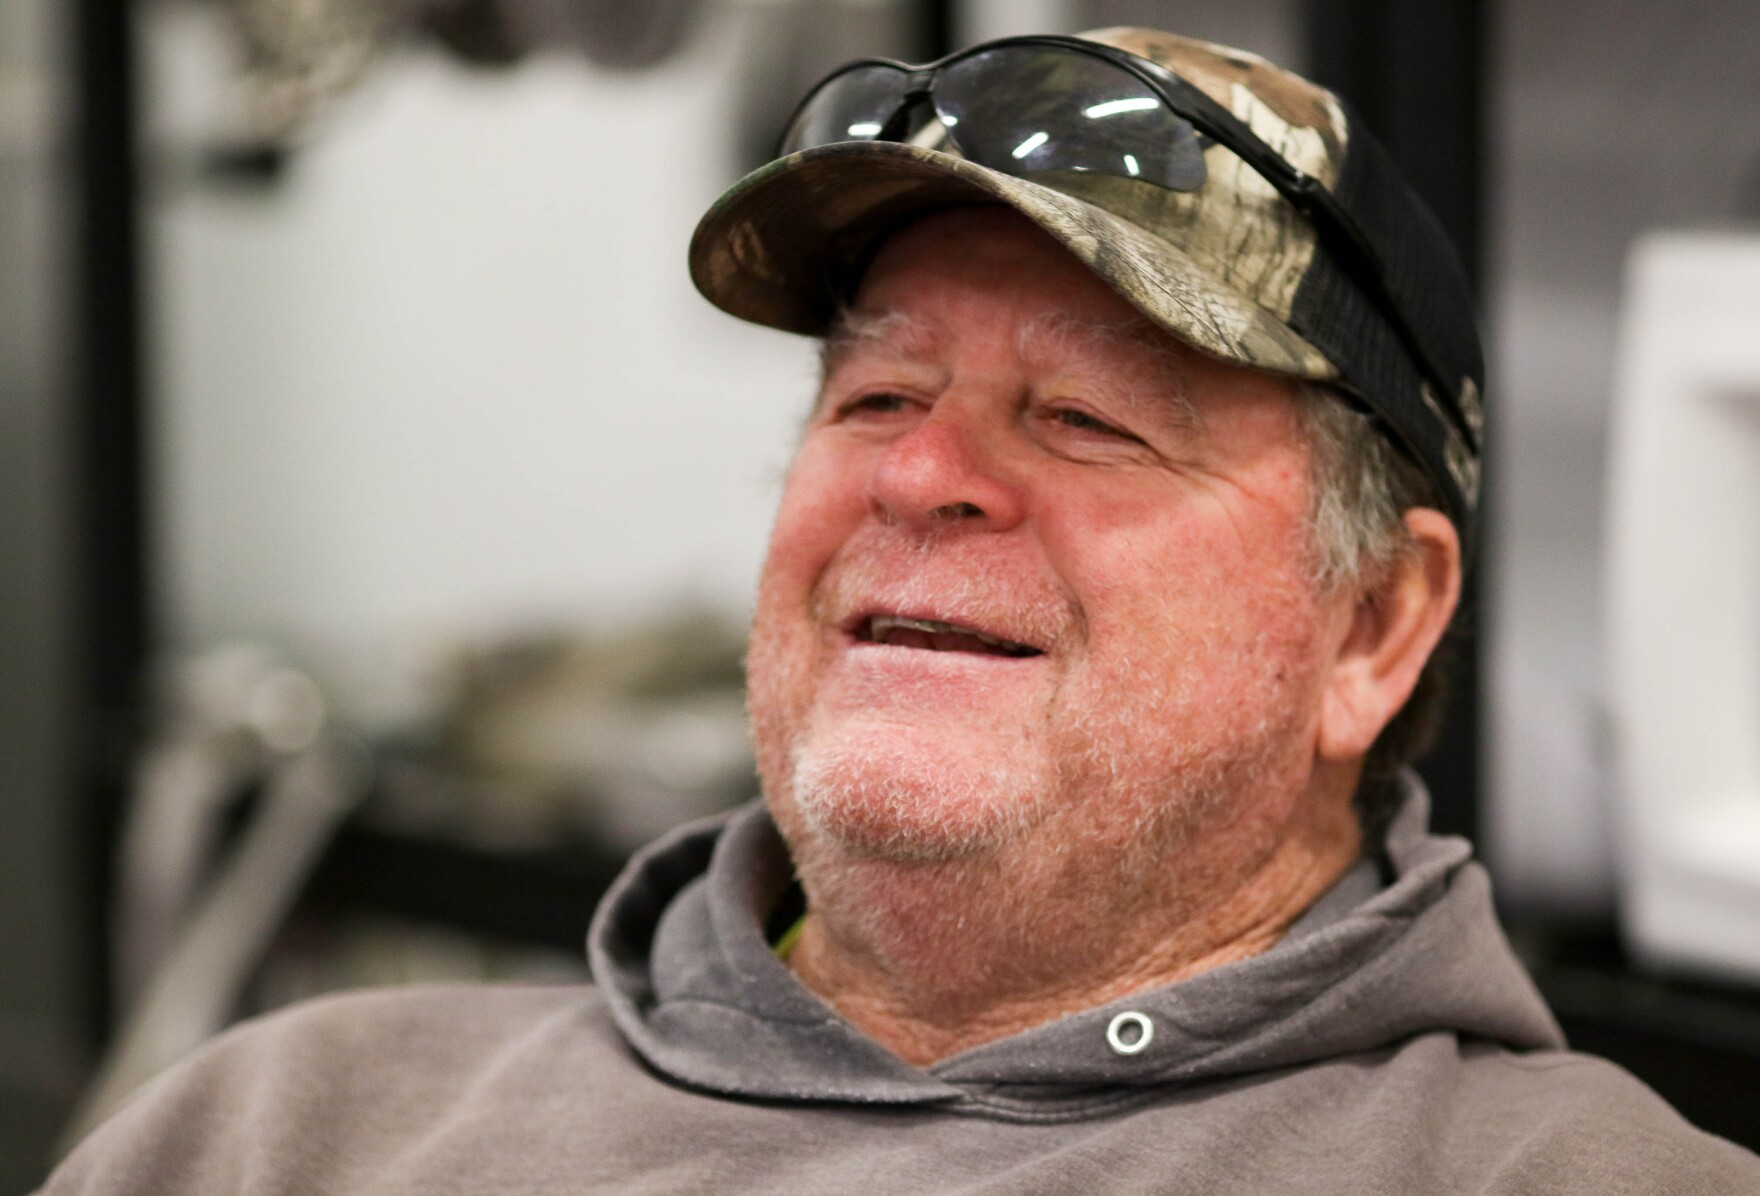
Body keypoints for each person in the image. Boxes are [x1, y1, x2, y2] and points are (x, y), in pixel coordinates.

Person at [40, 26, 1760, 1195]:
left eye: (1088, 418)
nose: (921, 477)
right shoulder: (283, 1127)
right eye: (871, 400)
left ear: (1376, 624)